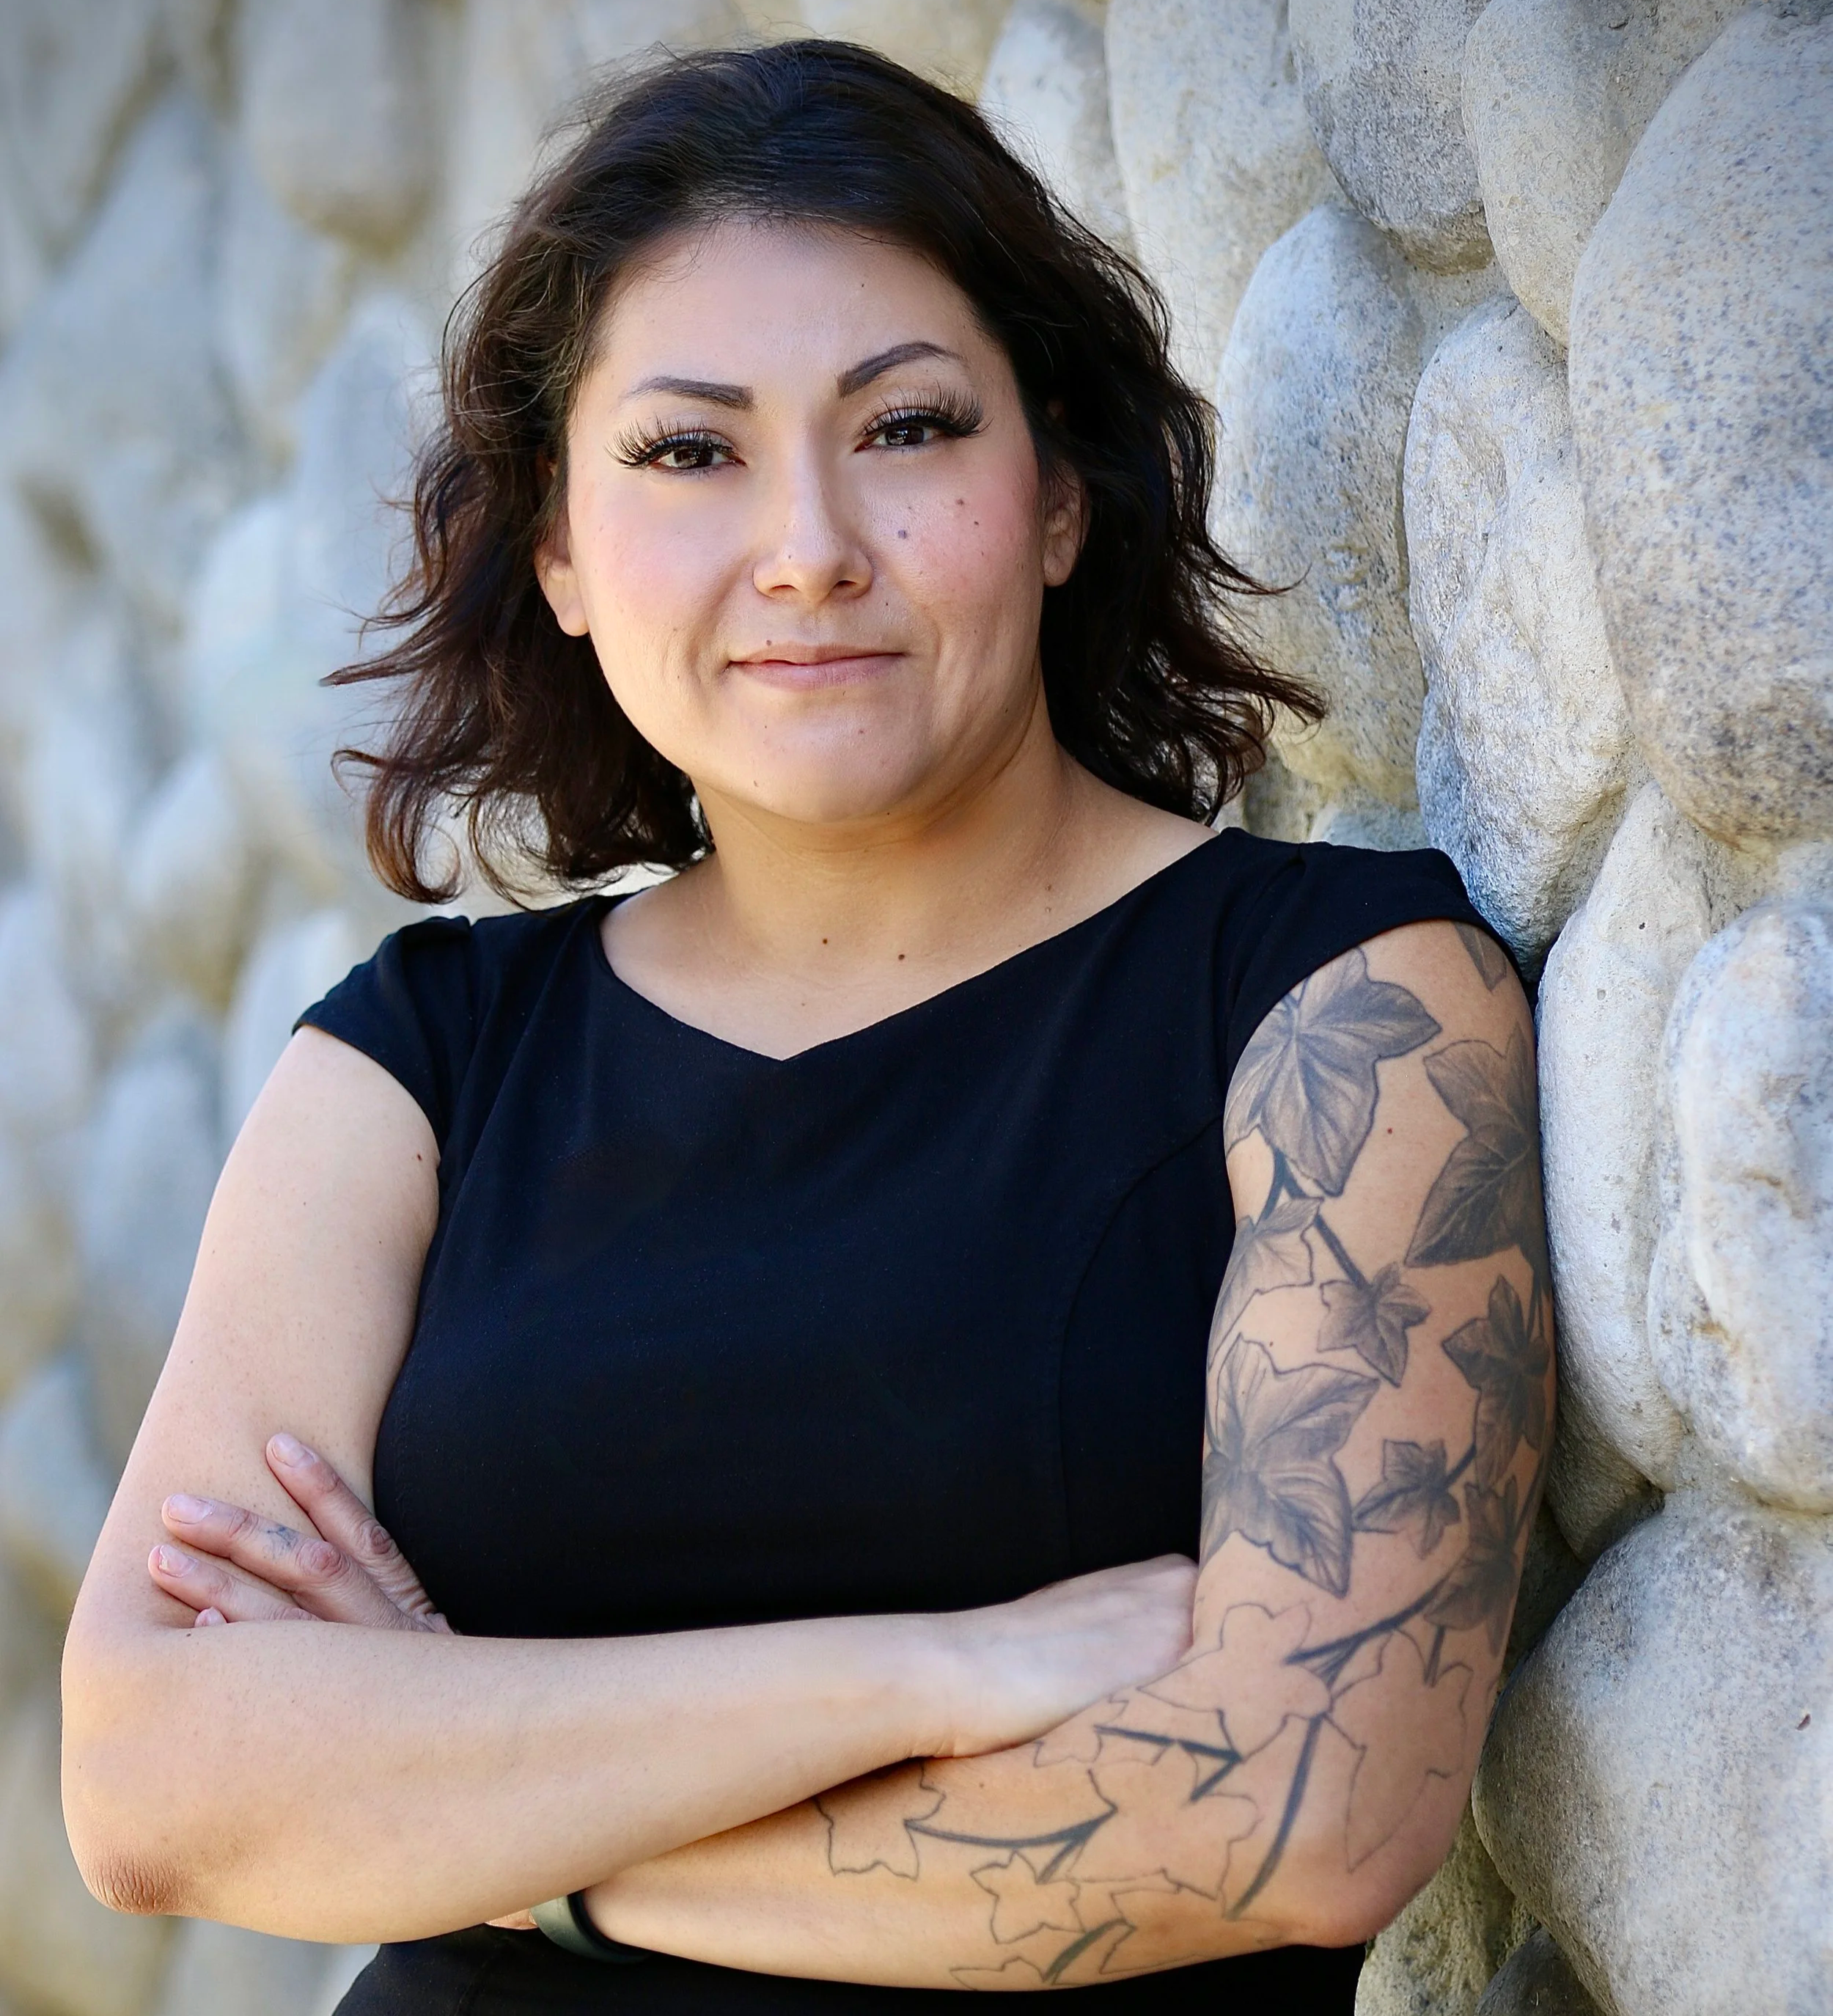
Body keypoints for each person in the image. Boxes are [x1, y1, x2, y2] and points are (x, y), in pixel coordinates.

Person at [61, 40, 1553, 2014]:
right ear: (560, 550)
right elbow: (154, 1783)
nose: (809, 546)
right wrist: (928, 1671)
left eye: (907, 428)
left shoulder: (1344, 1003)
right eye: (690, 453)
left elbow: (1307, 1812)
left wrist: (497, 1832)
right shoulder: (420, 1061)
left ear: (1060, 496)